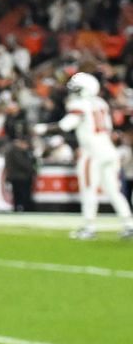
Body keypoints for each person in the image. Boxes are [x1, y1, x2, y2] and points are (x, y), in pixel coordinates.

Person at [63, 72, 133, 239]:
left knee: (89, 189)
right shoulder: (101, 103)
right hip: (108, 149)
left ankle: (89, 227)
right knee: (114, 191)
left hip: (92, 151)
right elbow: (107, 128)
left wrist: (41, 129)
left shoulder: (80, 105)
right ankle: (129, 224)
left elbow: (64, 126)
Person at [2, 132, 37, 213]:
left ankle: (19, 209)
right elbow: (23, 164)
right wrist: (32, 169)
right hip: (20, 177)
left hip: (17, 177)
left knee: (18, 195)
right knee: (22, 196)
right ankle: (22, 209)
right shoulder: (16, 151)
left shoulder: (12, 150)